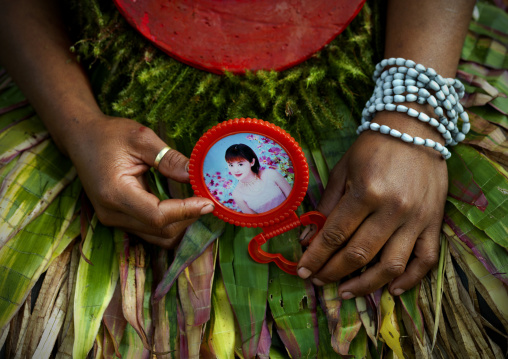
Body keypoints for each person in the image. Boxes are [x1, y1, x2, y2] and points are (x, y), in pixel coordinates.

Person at [0, 0, 475, 301]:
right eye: (235, 164)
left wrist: (413, 119)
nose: (239, 166)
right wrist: (79, 125)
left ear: (248, 160)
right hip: (89, 95)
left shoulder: (269, 178)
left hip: (373, 106)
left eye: (241, 161)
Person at [225, 144, 292, 214]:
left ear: (252, 162)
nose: (235, 170)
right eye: (231, 165)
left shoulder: (270, 174)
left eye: (240, 164)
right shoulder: (237, 194)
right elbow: (255, 221)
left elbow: (292, 199)